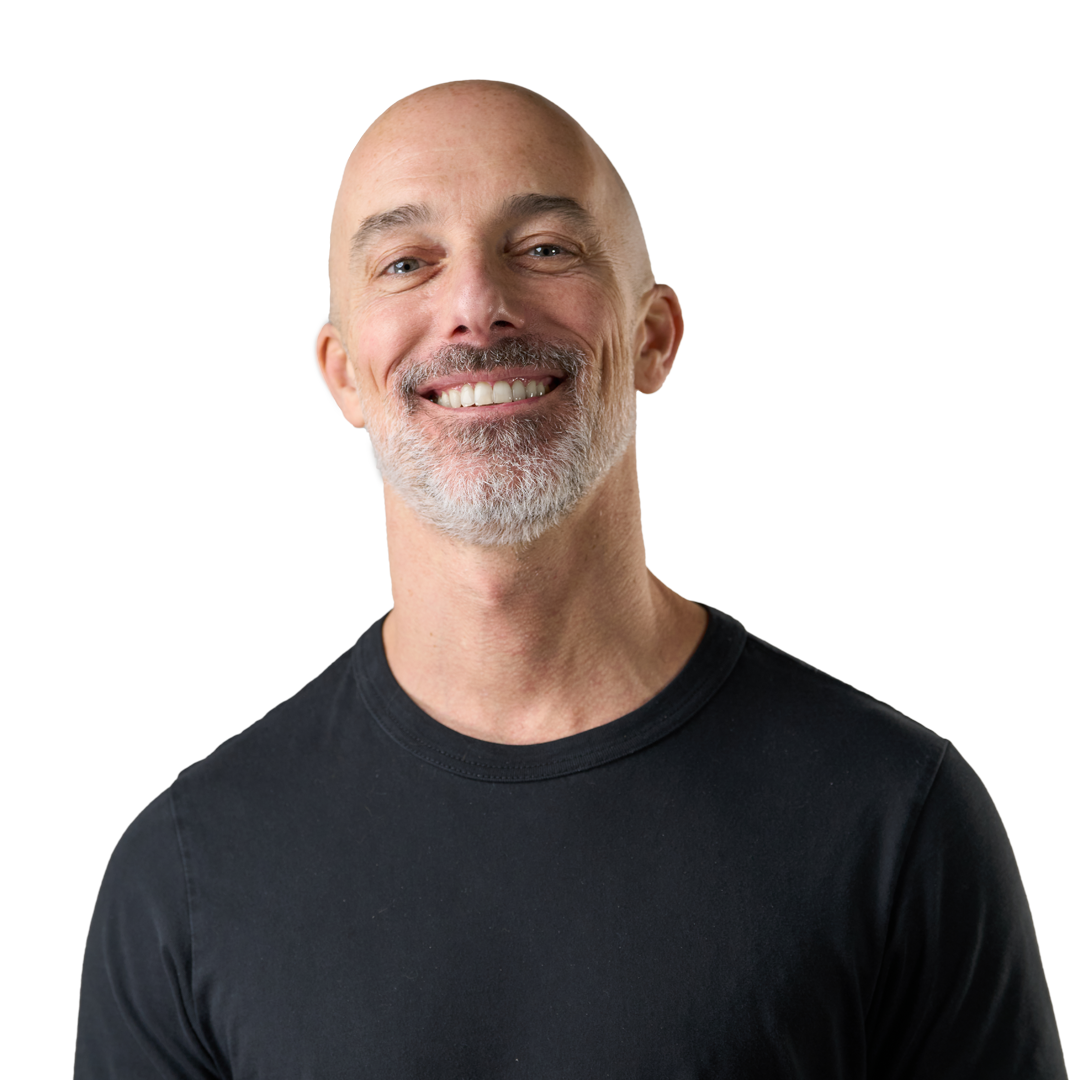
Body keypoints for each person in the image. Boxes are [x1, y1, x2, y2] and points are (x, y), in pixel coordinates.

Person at [75, 80, 1066, 1078]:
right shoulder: (186, 880)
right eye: (407, 263)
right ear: (344, 374)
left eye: (545, 248)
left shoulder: (897, 821)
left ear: (654, 336)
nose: (475, 306)